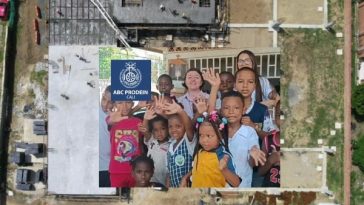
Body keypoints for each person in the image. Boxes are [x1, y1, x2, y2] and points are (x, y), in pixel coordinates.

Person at [180, 111, 241, 187]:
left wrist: (224, 170)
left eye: (209, 136)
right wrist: (186, 177)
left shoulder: (223, 156)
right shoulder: (200, 152)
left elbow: (236, 183)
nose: (204, 140)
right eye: (201, 135)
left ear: (220, 136)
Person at [220, 91, 266, 188]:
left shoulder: (249, 132)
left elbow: (252, 163)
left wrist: (254, 153)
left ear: (243, 110)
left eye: (236, 108)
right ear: (221, 111)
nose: (231, 111)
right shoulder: (217, 131)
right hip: (219, 186)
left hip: (242, 187)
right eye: (226, 108)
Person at [107, 101, 143, 187]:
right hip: (117, 171)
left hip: (136, 170)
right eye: (120, 102)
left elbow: (143, 142)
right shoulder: (111, 119)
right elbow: (109, 123)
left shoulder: (138, 122)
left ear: (132, 104)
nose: (124, 106)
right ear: (115, 104)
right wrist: (111, 122)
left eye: (128, 102)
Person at [235, 67, 278, 139]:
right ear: (235, 85)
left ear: (255, 85)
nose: (245, 85)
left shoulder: (263, 110)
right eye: (240, 81)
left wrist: (254, 127)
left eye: (250, 82)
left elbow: (270, 137)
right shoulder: (228, 107)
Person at [164, 100, 196, 187]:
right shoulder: (170, 145)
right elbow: (169, 173)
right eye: (170, 127)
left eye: (178, 126)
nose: (174, 130)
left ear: (184, 126)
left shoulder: (188, 141)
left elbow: (189, 126)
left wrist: (180, 111)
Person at [139, 108, 171, 187]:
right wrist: (146, 118)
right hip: (151, 180)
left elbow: (172, 121)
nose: (159, 133)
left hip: (165, 181)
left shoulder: (172, 143)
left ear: (168, 128)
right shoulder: (151, 140)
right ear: (152, 131)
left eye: (163, 129)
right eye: (156, 130)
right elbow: (144, 130)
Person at [99, 85, 113, 187]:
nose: (105, 104)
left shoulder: (117, 118)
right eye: (104, 99)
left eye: (110, 102)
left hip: (107, 168)